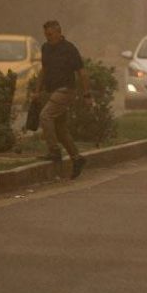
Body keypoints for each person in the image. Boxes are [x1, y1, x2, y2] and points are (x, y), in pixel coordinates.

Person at [34, 20, 90, 179]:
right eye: (46, 35)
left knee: (45, 116)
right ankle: (77, 159)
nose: (48, 37)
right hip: (52, 91)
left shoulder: (69, 49)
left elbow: (82, 72)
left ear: (59, 33)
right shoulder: (45, 48)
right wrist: (36, 91)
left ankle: (54, 151)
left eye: (50, 34)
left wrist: (87, 94)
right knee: (60, 129)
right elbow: (43, 70)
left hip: (66, 90)